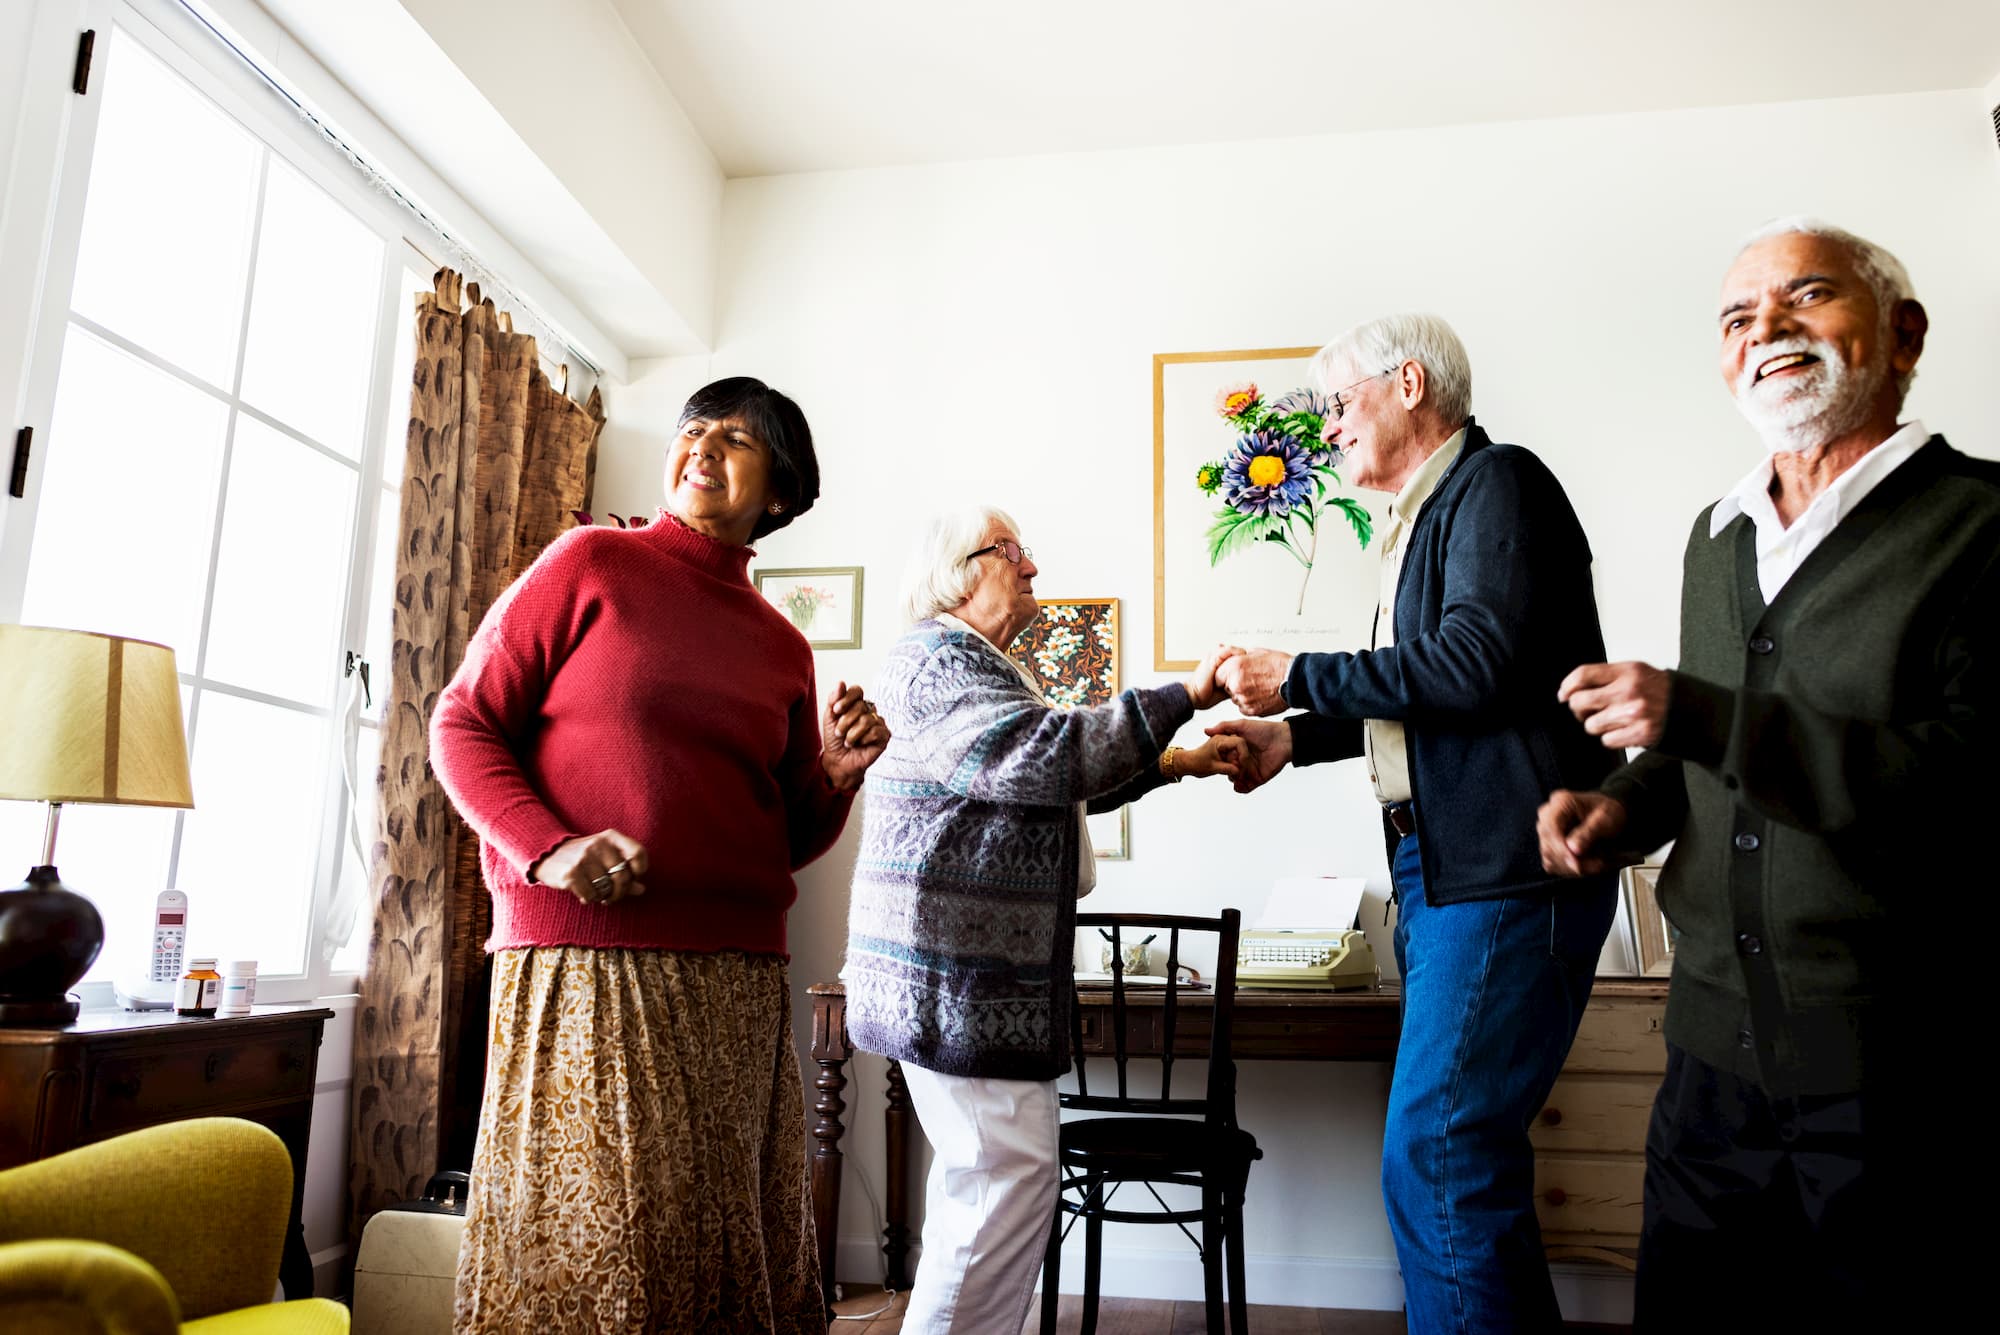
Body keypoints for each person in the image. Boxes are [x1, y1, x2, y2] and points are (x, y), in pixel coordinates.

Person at [1537, 218, 1994, 1330]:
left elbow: (1962, 780)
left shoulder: (1981, 525)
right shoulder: (1717, 534)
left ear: (1902, 335)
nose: (1767, 331)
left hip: (1899, 1068)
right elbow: (1704, 748)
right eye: (1738, 317)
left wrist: (1696, 712)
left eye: (1805, 297)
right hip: (1707, 1060)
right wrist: (1621, 808)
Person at [431, 376, 889, 1334]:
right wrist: (547, 850)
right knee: (605, 1248)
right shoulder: (588, 561)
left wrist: (836, 776)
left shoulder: (781, 646)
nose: (702, 447)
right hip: (589, 960)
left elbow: (782, 837)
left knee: (716, 1247)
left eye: (736, 439)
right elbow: (463, 723)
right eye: (695, 430)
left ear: (780, 490)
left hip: (740, 981)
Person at [1206, 314, 1619, 1332]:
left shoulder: (1496, 483)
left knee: (1439, 1157)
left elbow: (1474, 662)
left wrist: (1294, 675)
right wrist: (1290, 740)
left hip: (1500, 875)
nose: (1327, 430)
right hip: (1456, 873)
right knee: (1453, 1160)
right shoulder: (1434, 517)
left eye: (1338, 403)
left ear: (1406, 384)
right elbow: (1430, 693)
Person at [842, 506, 1244, 1334]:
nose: (1032, 569)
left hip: (965, 977)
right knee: (999, 1191)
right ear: (962, 568)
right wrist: (1186, 694)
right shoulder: (938, 658)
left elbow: (1043, 776)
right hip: (960, 979)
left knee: (991, 1192)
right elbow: (1045, 756)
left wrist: (1175, 761)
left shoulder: (973, 662)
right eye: (1014, 552)